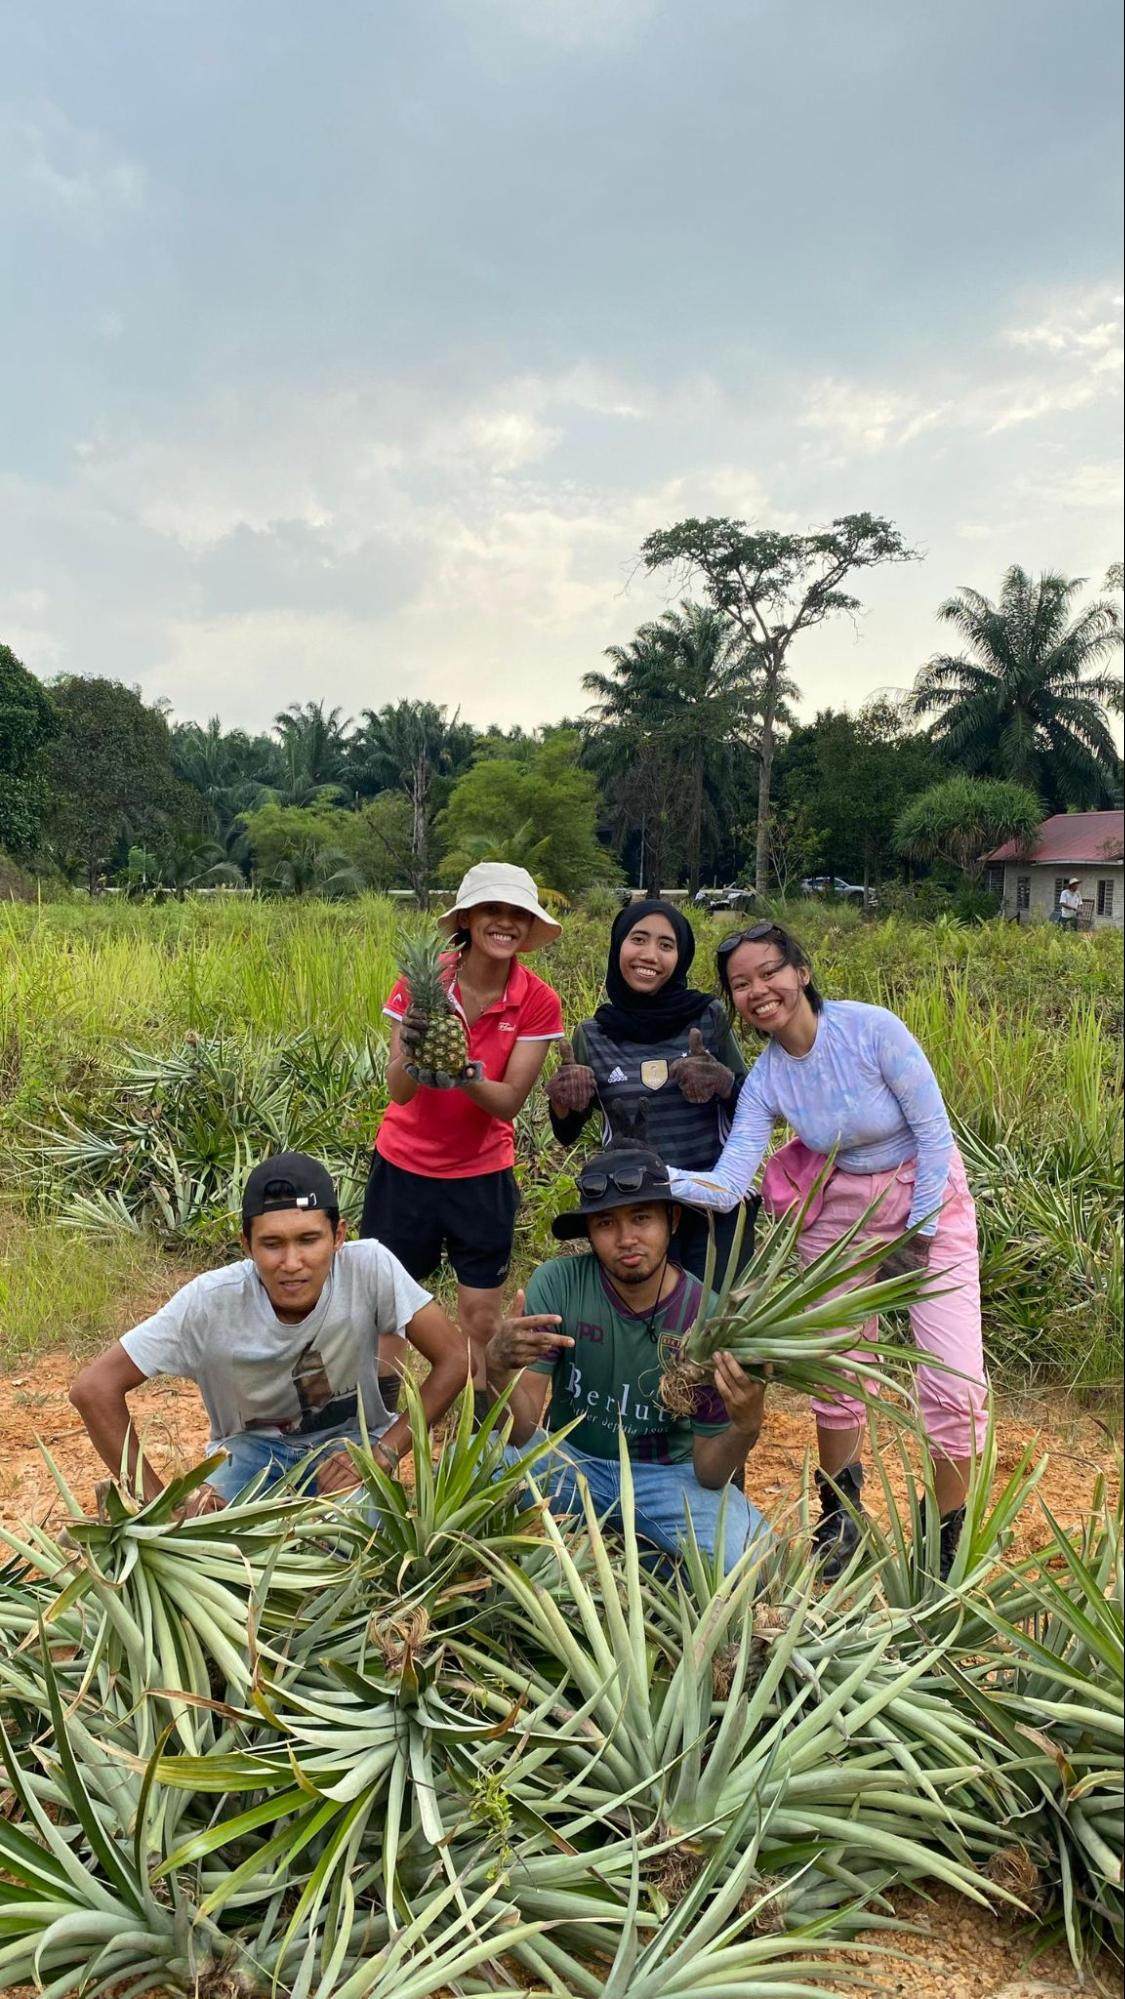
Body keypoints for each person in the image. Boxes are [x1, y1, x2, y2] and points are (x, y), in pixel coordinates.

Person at [665, 922, 988, 1582]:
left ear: (801, 971)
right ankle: (840, 1515)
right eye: (741, 984)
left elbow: (933, 1133)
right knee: (836, 1366)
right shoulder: (766, 1079)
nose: (758, 991)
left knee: (952, 1382)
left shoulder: (872, 1030)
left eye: (768, 972)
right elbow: (729, 1185)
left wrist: (917, 1229)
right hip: (835, 1208)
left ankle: (945, 1531)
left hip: (923, 1194)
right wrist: (650, 1174)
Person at [69, 1152, 468, 1515]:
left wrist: (382, 1453)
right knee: (204, 1551)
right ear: (247, 1245)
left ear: (339, 1236)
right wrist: (161, 1508)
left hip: (349, 1445)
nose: (292, 1263)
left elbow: (454, 1357)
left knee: (353, 1548)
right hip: (249, 1454)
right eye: (272, 1244)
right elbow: (94, 1388)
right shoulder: (212, 1301)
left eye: (309, 1239)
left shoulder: (370, 1267)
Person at [483, 1139, 771, 1572]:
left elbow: (710, 1474)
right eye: (605, 1224)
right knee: (471, 1475)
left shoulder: (706, 1316)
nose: (626, 1239)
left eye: (641, 1218)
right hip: (567, 1461)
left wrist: (747, 1424)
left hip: (664, 1478)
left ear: (672, 1220)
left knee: (752, 1558)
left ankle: (613, 1561)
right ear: (590, 1233)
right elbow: (522, 1433)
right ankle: (634, 1563)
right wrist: (498, 1368)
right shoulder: (557, 1284)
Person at [361, 862, 564, 1403]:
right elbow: (399, 1091)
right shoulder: (422, 986)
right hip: (403, 1167)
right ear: (469, 918)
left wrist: (464, 1072)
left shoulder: (538, 999)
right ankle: (379, 1422)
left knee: (479, 1311)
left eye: (517, 914)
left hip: (482, 1173)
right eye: (493, 911)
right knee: (389, 1310)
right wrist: (417, 1045)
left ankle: (473, 1424)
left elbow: (510, 1101)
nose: (505, 923)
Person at [546, 896, 755, 1282]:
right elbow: (567, 1131)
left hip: (714, 1206)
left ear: (682, 956)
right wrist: (563, 1101)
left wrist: (724, 1083)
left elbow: (753, 1108)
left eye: (666, 945)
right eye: (638, 939)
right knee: (652, 1322)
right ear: (618, 946)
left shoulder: (708, 1016)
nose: (650, 955)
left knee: (717, 1323)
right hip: (634, 1207)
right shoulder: (592, 1036)